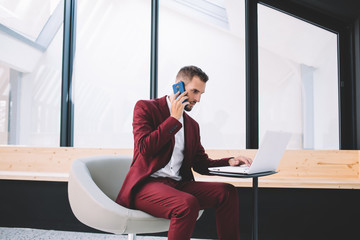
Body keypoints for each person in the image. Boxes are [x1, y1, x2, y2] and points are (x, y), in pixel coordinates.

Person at [116, 65, 252, 240]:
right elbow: (145, 148)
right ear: (178, 87)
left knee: (227, 192)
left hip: (177, 185)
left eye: (201, 94)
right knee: (187, 204)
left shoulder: (192, 126)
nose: (198, 99)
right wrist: (173, 119)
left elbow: (201, 165)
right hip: (146, 186)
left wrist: (230, 161)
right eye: (194, 91)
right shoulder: (146, 108)